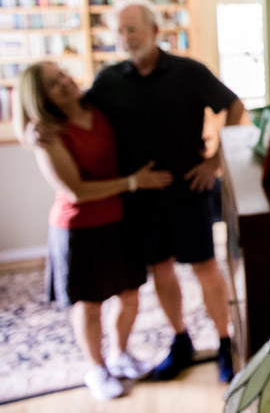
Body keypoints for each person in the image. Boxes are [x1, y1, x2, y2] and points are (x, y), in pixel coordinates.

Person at [85, 0, 246, 383]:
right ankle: (180, 340)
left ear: (156, 31)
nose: (126, 38)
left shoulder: (188, 71)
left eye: (134, 29)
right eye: (120, 31)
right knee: (161, 271)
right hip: (140, 198)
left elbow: (234, 105)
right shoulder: (108, 80)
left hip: (189, 190)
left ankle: (225, 342)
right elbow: (75, 113)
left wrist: (215, 162)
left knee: (205, 268)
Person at [14, 62, 173, 400]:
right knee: (90, 305)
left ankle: (119, 353)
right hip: (80, 228)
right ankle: (96, 368)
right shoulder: (48, 134)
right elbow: (77, 191)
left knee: (130, 295)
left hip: (119, 218)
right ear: (41, 98)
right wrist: (133, 183)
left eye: (63, 75)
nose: (65, 83)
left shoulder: (97, 106)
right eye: (53, 85)